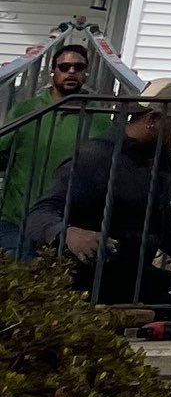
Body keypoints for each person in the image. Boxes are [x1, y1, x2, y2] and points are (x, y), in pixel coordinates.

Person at [25, 78, 171, 305]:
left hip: (138, 279)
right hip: (89, 282)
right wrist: (70, 234)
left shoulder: (164, 162)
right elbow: (40, 214)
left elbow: (163, 229)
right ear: (153, 119)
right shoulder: (96, 157)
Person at [0, 42, 98, 262]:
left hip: (69, 226)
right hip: (17, 220)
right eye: (64, 67)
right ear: (52, 71)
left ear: (86, 73)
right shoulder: (26, 111)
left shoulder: (99, 117)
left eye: (78, 67)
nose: (71, 72)